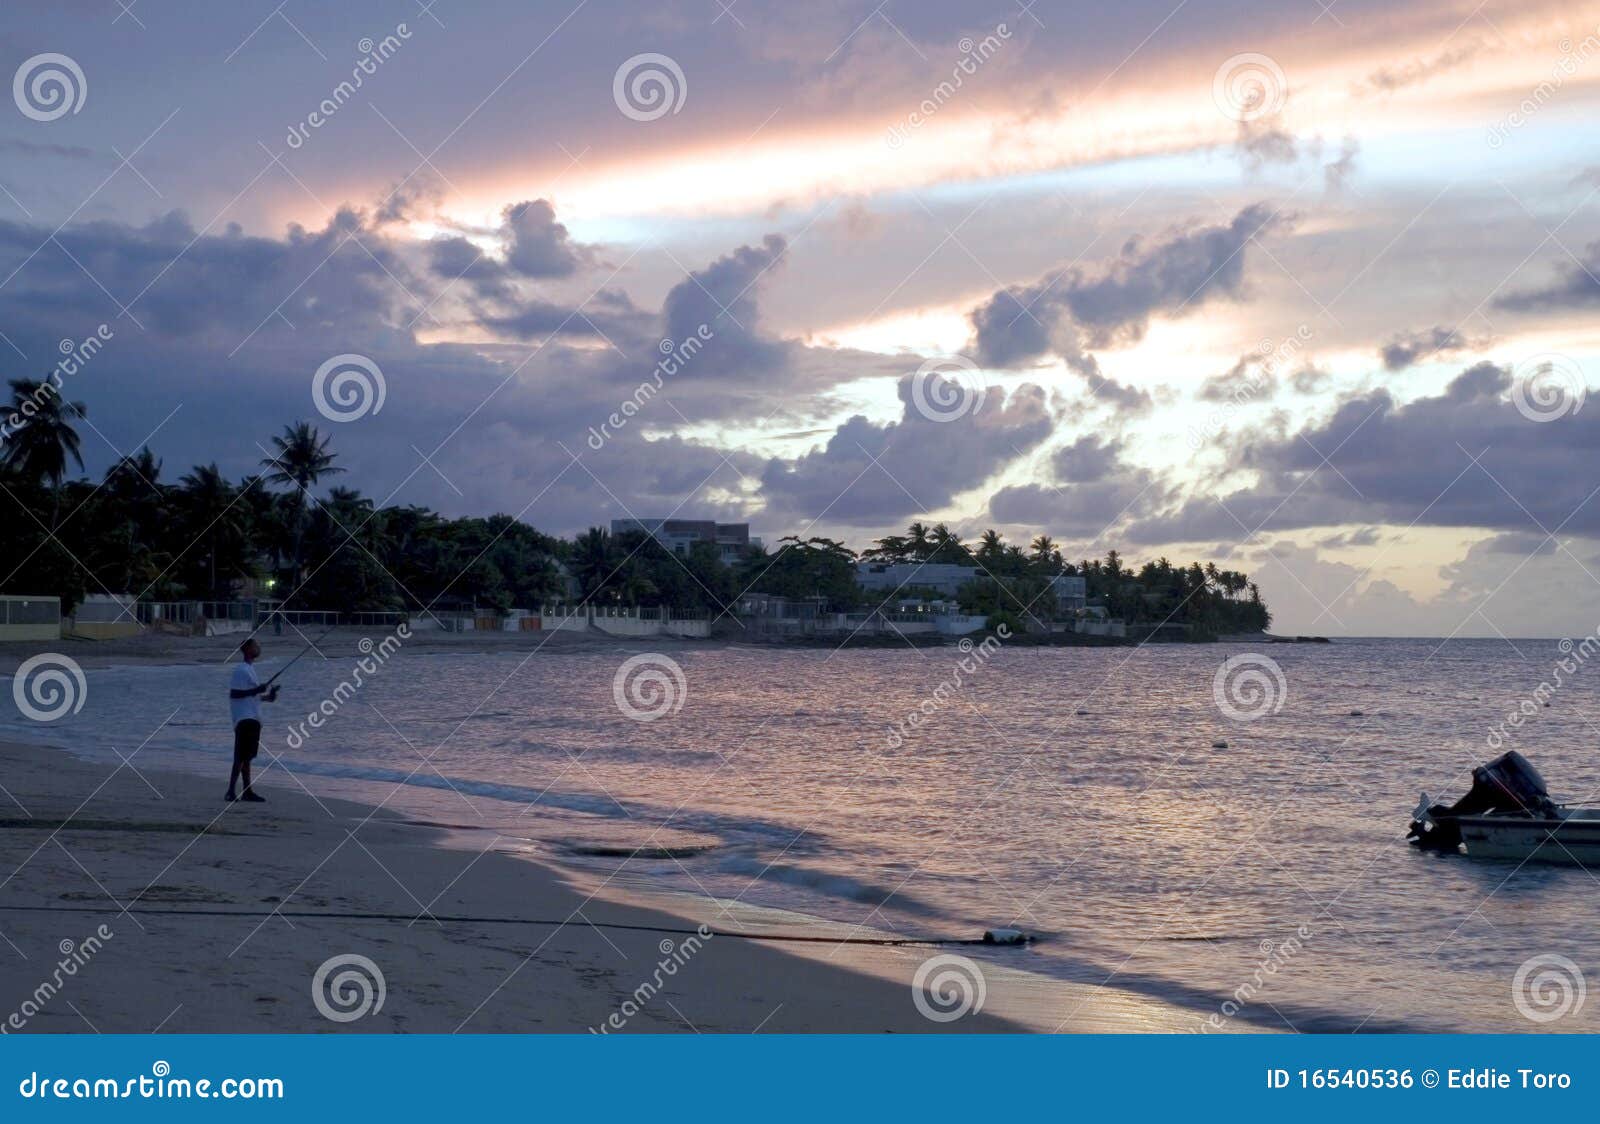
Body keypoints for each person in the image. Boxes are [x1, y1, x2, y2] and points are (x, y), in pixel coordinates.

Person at [227, 637, 278, 803]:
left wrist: (268, 697)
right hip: (245, 719)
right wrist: (257, 689)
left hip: (253, 718)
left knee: (247, 757)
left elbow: (251, 696)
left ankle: (247, 792)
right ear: (248, 649)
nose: (259, 648)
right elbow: (234, 694)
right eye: (256, 645)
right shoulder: (241, 670)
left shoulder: (249, 670)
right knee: (241, 756)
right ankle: (230, 792)